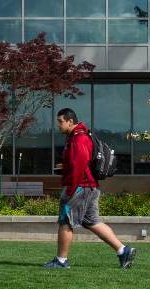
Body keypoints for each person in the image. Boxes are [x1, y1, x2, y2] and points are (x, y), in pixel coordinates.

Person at [43, 108, 136, 270]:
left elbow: (79, 165)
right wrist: (65, 167)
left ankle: (61, 261)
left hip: (80, 187)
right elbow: (78, 163)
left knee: (66, 221)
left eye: (60, 121)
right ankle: (123, 250)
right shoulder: (78, 136)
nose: (58, 125)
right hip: (89, 187)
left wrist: (71, 190)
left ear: (70, 121)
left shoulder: (79, 138)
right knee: (92, 222)